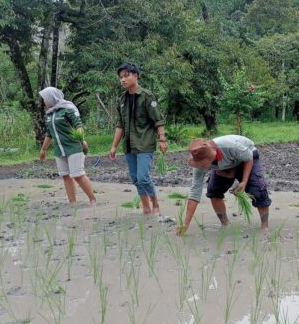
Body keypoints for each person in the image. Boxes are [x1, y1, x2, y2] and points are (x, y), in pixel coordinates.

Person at [176, 136, 272, 235]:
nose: (203, 166)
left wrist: (243, 182)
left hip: (247, 158)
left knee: (258, 190)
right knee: (214, 190)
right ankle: (225, 224)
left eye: (205, 163)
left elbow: (248, 158)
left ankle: (265, 226)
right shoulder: (199, 164)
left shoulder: (231, 146)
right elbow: (195, 192)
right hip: (225, 165)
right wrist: (185, 224)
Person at [108, 62, 166, 216]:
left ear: (136, 76)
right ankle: (146, 207)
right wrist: (114, 146)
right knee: (135, 179)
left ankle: (155, 204)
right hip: (128, 145)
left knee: (143, 177)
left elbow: (158, 119)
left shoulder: (147, 96)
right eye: (121, 77)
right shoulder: (122, 99)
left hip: (144, 143)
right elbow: (120, 124)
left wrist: (162, 139)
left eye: (126, 76)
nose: (123, 80)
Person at [38, 87, 97, 205]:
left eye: (45, 99)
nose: (44, 102)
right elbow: (49, 134)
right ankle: (72, 202)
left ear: (52, 98)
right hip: (59, 150)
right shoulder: (49, 114)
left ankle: (92, 199)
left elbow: (78, 125)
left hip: (74, 148)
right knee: (65, 176)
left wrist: (81, 140)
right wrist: (43, 149)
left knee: (78, 175)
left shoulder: (67, 110)